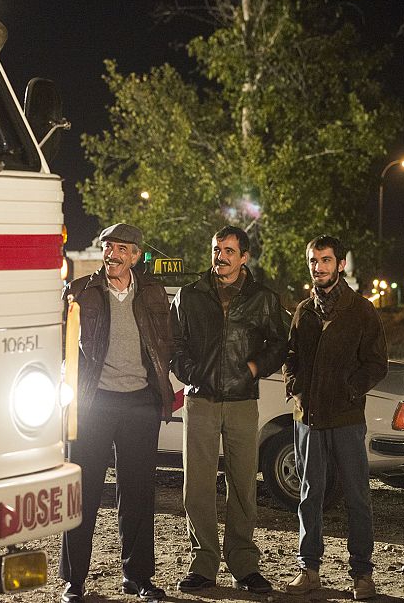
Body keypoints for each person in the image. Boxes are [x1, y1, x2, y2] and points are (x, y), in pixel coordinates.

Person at [59, 223, 175, 603]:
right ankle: (73, 582)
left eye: (122, 249)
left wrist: (166, 389)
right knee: (82, 492)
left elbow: (165, 343)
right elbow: (61, 346)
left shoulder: (154, 293)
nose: (113, 255)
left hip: (139, 404)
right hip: (94, 403)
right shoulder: (80, 292)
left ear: (136, 255)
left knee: (139, 493)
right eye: (108, 247)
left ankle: (138, 577)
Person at [170, 225, 288, 595]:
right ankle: (203, 565)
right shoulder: (190, 296)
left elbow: (281, 341)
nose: (220, 256)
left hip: (241, 402)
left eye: (228, 251)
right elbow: (173, 343)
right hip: (200, 400)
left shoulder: (262, 298)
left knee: (242, 485)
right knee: (198, 487)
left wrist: (254, 368)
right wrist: (190, 373)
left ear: (244, 258)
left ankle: (244, 564)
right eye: (216, 249)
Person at [283, 235, 388, 601]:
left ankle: (362, 573)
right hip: (307, 417)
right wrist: (295, 386)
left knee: (358, 496)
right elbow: (291, 356)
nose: (319, 267)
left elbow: (376, 364)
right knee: (309, 495)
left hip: (345, 417)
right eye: (313, 261)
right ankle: (308, 569)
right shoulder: (303, 311)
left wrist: (349, 390)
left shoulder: (361, 310)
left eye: (326, 260)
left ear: (340, 264)